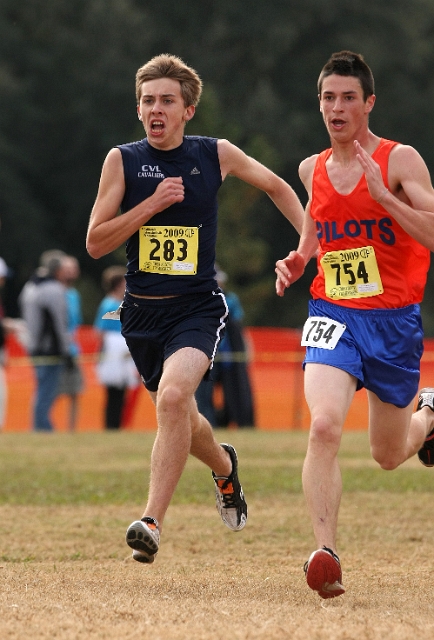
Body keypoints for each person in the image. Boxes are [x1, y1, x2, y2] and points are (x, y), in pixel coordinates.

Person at [86, 53, 304, 564]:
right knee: (183, 413)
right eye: (147, 101)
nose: (155, 109)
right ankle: (225, 467)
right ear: (138, 109)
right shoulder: (122, 160)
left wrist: (307, 243)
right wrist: (151, 205)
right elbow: (96, 243)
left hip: (197, 309)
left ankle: (152, 521)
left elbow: (277, 186)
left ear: (188, 110)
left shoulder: (216, 154)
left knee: (174, 397)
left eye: (166, 101)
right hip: (140, 314)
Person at [275, 50, 434, 599]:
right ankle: (326, 552)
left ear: (369, 103)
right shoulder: (311, 169)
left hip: (394, 323)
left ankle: (430, 415)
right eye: (327, 97)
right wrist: (299, 259)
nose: (336, 108)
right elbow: (317, 234)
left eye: (347, 98)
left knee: (388, 456)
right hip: (333, 313)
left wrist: (386, 198)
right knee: (323, 427)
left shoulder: (400, 160)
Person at [195, 265, 255, 427]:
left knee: (234, 392)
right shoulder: (197, 299)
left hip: (228, 354)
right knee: (203, 394)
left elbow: (238, 327)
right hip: (207, 354)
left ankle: (236, 422)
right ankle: (208, 424)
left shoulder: (231, 299)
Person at [19, 253, 71, 431]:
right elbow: (59, 322)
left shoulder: (30, 287)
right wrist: (66, 350)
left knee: (41, 388)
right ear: (57, 270)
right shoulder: (54, 289)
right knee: (46, 391)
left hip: (33, 345)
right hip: (50, 348)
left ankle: (40, 425)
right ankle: (42, 427)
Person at [94, 266, 139, 429]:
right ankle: (112, 425)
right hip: (114, 356)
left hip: (124, 355)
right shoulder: (109, 305)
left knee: (121, 394)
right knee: (114, 393)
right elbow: (100, 331)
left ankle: (117, 425)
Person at [58, 255, 84, 431]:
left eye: (73, 268)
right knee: (52, 392)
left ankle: (71, 429)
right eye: (67, 269)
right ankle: (44, 427)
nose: (71, 272)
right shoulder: (55, 292)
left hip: (73, 350)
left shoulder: (74, 294)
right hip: (58, 350)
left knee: (75, 391)